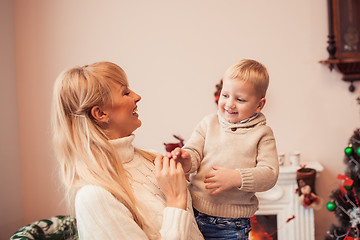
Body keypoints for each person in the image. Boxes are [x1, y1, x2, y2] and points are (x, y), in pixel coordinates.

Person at [51, 61, 204, 240]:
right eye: (126, 92)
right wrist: (175, 200)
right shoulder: (95, 197)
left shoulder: (152, 159)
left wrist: (189, 173)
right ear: (100, 113)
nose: (137, 96)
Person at [168, 59, 279, 239]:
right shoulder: (208, 123)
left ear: (259, 105)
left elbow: (270, 174)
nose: (230, 104)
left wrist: (237, 177)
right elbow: (194, 152)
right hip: (193, 212)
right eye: (225, 95)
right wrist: (186, 159)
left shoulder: (262, 134)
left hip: (231, 225)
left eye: (240, 99)